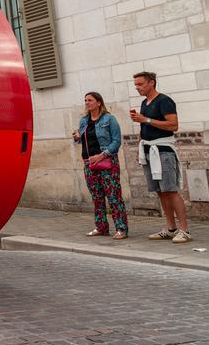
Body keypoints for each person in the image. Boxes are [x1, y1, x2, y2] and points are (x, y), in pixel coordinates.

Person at [131, 71, 191, 243]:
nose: (137, 88)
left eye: (140, 84)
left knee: (170, 190)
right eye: (136, 85)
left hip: (163, 150)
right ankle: (171, 228)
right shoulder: (144, 103)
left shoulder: (164, 101)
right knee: (160, 191)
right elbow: (145, 126)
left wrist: (146, 120)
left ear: (151, 83)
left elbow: (173, 125)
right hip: (148, 150)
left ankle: (184, 230)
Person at [72, 92, 128, 239]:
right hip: (89, 163)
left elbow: (116, 141)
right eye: (85, 100)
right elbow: (83, 141)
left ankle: (121, 229)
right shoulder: (84, 121)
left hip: (107, 162)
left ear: (98, 103)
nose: (87, 103)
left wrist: (102, 155)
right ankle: (101, 227)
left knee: (113, 196)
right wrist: (77, 137)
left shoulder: (109, 119)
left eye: (90, 100)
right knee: (97, 197)